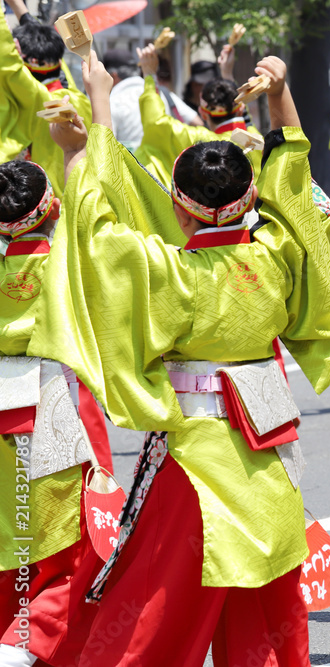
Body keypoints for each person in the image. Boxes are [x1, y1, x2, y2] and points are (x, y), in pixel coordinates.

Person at [34, 51, 330, 666]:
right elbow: (292, 186)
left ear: (178, 207)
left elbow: (94, 225)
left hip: (192, 458)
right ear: (250, 198)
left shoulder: (169, 271)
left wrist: (99, 113)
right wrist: (280, 98)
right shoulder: (279, 254)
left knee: (150, 616)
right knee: (262, 613)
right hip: (268, 453)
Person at [0, 159, 111, 667]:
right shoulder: (67, 265)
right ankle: (27, 644)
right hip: (57, 405)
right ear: (52, 208)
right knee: (74, 548)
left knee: (11, 549)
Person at [133, 44, 261, 186]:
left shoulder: (200, 140)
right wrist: (227, 74)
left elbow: (156, 122)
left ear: (202, 113)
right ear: (239, 108)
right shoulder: (254, 141)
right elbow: (246, 120)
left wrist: (149, 75)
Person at [0, 0, 92, 197]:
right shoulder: (74, 95)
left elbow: (8, 64)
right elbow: (42, 55)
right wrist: (19, 9)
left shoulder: (42, 102)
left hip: (44, 210)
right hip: (78, 201)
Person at [106, 48, 201, 152]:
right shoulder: (162, 93)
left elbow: (106, 149)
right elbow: (197, 122)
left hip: (130, 166)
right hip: (167, 166)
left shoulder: (112, 103)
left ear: (113, 76)